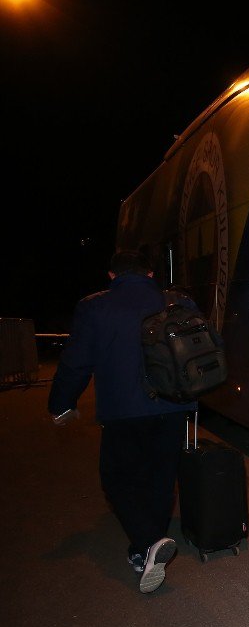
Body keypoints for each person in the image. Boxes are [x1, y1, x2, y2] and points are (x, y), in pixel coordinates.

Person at [48, 250, 196, 593]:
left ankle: (146, 543)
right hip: (173, 406)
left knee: (117, 479)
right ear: (149, 272)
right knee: (160, 479)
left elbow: (76, 363)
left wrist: (60, 403)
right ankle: (147, 551)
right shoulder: (177, 301)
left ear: (112, 276)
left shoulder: (95, 307)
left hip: (124, 410)